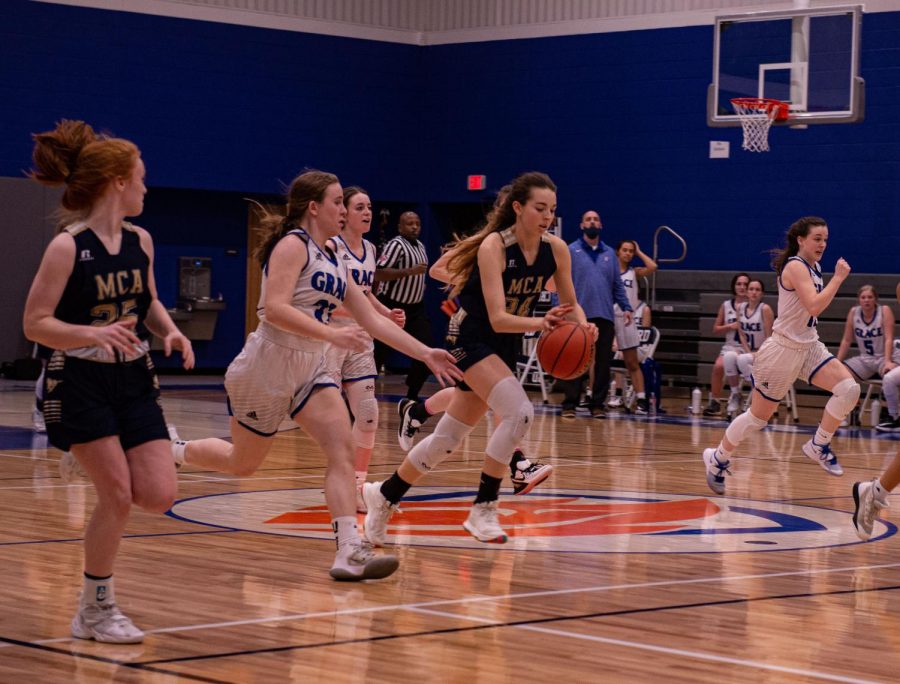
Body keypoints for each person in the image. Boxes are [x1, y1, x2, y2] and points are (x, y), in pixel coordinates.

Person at [171, 170, 462, 580]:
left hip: (310, 367)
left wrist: (424, 352)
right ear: (314, 207)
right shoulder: (292, 245)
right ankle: (177, 452)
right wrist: (331, 333)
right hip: (266, 365)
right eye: (338, 201)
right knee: (243, 464)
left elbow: (374, 321)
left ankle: (348, 550)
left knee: (341, 449)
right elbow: (274, 308)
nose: (344, 209)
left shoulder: (334, 257)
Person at [23, 120, 195, 643]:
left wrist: (170, 332)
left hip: (134, 378)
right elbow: (34, 323)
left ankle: (95, 458)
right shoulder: (68, 247)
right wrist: (89, 333)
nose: (146, 187)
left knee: (159, 494)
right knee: (117, 496)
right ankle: (95, 609)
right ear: (118, 182)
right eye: (140, 178)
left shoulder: (141, 240)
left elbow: (148, 303)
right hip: (78, 380)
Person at [362, 172, 595, 545]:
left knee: (446, 440)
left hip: (502, 344)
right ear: (518, 208)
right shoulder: (494, 246)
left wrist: (583, 328)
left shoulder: (557, 250)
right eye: (539, 208)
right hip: (469, 338)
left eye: (552, 209)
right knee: (519, 411)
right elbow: (499, 317)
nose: (547, 216)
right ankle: (484, 507)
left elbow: (570, 305)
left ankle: (384, 495)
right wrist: (543, 322)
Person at [394, 186, 554, 496]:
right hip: (470, 329)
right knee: (504, 399)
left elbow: (547, 280)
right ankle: (517, 465)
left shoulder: (532, 247)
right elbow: (438, 269)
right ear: (512, 209)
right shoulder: (485, 242)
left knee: (473, 399)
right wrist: (480, 283)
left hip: (504, 332)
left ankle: (417, 414)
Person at [701, 216, 857, 495]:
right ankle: (718, 457)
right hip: (783, 350)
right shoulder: (795, 266)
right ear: (801, 240)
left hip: (809, 346)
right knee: (757, 419)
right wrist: (839, 279)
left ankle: (818, 444)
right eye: (817, 238)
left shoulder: (815, 266)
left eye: (825, 239)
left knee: (848, 389)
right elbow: (814, 306)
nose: (822, 244)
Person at [324, 187, 406, 512]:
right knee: (331, 420)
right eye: (360, 207)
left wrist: (386, 313)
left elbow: (365, 294)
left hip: (360, 338)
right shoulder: (330, 247)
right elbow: (331, 297)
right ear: (344, 212)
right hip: (329, 338)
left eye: (370, 206)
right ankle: (336, 478)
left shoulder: (371, 249)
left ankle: (358, 487)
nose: (367, 212)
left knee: (369, 413)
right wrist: (369, 314)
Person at [558, 211, 632, 419]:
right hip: (576, 316)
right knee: (574, 360)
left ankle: (597, 404)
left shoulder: (610, 254)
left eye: (596, 219)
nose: (592, 222)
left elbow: (617, 286)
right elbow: (560, 283)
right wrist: (559, 309)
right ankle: (570, 404)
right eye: (588, 219)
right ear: (582, 225)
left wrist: (626, 307)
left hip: (604, 316)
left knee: (602, 363)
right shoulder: (571, 251)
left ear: (601, 225)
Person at [373, 211, 433, 400]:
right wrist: (409, 272)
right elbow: (378, 273)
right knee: (377, 356)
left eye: (417, 223)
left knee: (427, 352)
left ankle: (411, 397)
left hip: (415, 310)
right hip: (391, 307)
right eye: (409, 223)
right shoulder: (395, 245)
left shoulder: (421, 246)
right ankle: (362, 394)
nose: (414, 227)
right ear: (400, 227)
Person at [835, 285, 900, 431]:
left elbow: (889, 338)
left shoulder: (884, 311)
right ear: (859, 300)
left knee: (890, 377)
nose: (866, 300)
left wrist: (888, 361)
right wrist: (837, 361)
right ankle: (847, 412)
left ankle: (891, 415)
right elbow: (846, 340)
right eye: (863, 297)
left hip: (885, 356)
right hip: (866, 359)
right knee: (840, 374)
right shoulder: (854, 312)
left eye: (870, 297)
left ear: (875, 299)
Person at [609, 239, 657, 414]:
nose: (628, 253)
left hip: (627, 318)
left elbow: (653, 267)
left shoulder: (633, 272)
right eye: (625, 250)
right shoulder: (610, 272)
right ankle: (593, 395)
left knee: (631, 362)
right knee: (598, 360)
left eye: (631, 251)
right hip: (610, 317)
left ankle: (642, 399)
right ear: (618, 252)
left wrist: (639, 252)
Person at [721, 278, 774, 415]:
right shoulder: (740, 308)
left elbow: (770, 338)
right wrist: (748, 352)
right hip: (748, 351)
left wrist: (758, 355)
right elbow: (742, 335)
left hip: (765, 352)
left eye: (757, 290)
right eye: (751, 289)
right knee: (729, 356)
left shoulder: (765, 309)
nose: (754, 292)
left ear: (762, 293)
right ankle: (736, 394)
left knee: (743, 360)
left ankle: (762, 392)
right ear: (747, 292)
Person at [703, 273, 750, 416]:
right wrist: (730, 326)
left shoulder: (755, 306)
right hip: (730, 346)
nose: (742, 287)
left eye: (745, 284)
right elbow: (715, 329)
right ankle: (715, 401)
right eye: (739, 284)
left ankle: (752, 401)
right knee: (718, 366)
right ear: (734, 286)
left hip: (748, 347)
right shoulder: (726, 305)